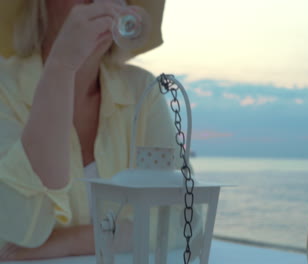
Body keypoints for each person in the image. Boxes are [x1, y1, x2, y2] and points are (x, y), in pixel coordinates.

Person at [0, 0, 181, 260]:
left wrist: (69, 242)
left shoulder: (142, 90)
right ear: (41, 6)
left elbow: (180, 216)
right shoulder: (4, 89)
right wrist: (62, 66)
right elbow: (20, 229)